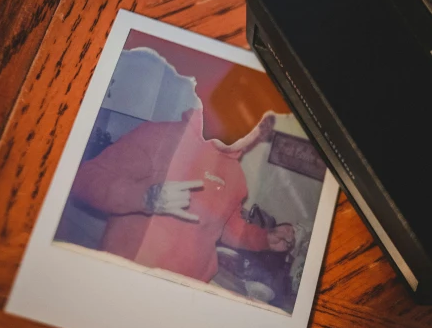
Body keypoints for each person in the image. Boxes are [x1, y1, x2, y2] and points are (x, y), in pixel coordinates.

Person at [70, 108, 295, 283]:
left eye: (255, 125)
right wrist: (144, 197)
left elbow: (228, 226)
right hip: (126, 278)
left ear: (259, 135)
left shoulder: (237, 177)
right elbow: (84, 179)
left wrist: (264, 239)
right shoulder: (160, 135)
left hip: (186, 292)